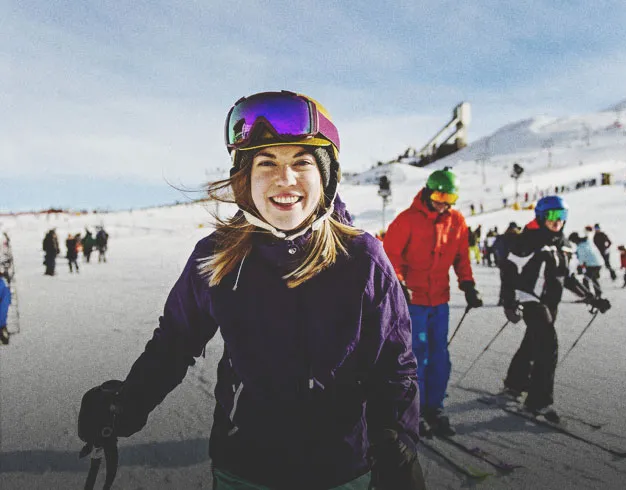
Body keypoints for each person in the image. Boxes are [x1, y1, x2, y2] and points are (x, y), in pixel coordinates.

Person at [78, 90, 426, 490]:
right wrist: (128, 402)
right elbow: (175, 341)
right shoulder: (217, 255)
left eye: (301, 161)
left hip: (341, 469)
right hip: (244, 469)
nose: (285, 178)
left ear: (326, 175)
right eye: (266, 163)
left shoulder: (362, 257)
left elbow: (394, 364)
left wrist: (397, 442)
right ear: (245, 180)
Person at [383, 167, 483, 437]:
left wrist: (468, 284)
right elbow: (390, 256)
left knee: (440, 354)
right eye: (439, 195)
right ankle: (412, 410)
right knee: (417, 354)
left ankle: (434, 406)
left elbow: (462, 257)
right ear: (428, 191)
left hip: (440, 300)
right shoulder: (406, 220)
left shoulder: (457, 221)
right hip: (413, 300)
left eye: (450, 199)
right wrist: (400, 284)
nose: (443, 203)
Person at [499, 196, 611, 423]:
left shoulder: (565, 245)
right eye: (551, 216)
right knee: (548, 346)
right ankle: (538, 402)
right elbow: (509, 269)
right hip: (529, 298)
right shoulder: (529, 240)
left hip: (551, 302)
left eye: (562, 216)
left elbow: (568, 278)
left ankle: (515, 383)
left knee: (532, 342)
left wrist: (591, 298)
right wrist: (509, 301)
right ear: (540, 216)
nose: (557, 221)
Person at [568, 228, 604, 298]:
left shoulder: (581, 246)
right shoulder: (587, 242)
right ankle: (597, 294)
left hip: (593, 264)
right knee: (593, 278)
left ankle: (589, 295)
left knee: (587, 279)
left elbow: (582, 258)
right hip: (598, 262)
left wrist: (580, 266)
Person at [494, 222, 521, 306]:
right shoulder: (518, 237)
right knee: (509, 282)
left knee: (506, 282)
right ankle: (506, 299)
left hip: (507, 263)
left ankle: (505, 299)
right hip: (509, 263)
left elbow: (495, 247)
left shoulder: (503, 237)